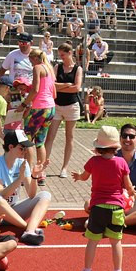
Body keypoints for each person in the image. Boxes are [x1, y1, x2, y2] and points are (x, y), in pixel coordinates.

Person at [71, 125, 134, 271]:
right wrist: (132, 192)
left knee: (92, 242)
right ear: (116, 146)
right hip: (116, 208)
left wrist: (78, 176)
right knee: (116, 242)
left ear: (99, 146)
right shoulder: (121, 163)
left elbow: (84, 177)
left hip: (98, 207)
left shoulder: (93, 161)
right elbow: (128, 186)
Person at [0, 129, 52, 246]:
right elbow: (1, 194)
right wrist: (20, 179)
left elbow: (31, 195)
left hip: (12, 212)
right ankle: (27, 227)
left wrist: (34, 176)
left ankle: (29, 231)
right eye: (22, 148)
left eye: (26, 148)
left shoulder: (23, 164)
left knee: (45, 195)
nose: (25, 151)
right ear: (11, 147)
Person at [45, 43, 83, 178]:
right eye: (60, 55)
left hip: (72, 106)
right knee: (50, 137)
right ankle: (43, 165)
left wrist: (60, 87)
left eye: (63, 55)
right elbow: (51, 85)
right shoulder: (57, 67)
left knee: (69, 137)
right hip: (57, 105)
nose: (61, 58)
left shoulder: (78, 69)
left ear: (70, 53)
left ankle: (64, 168)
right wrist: (66, 85)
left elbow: (77, 88)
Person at [20, 48, 56, 184]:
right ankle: (40, 173)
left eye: (30, 60)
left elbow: (35, 90)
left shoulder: (37, 68)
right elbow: (52, 92)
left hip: (39, 108)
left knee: (27, 140)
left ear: (34, 58)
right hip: (50, 108)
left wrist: (24, 104)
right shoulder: (49, 69)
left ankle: (27, 173)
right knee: (40, 141)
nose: (30, 63)